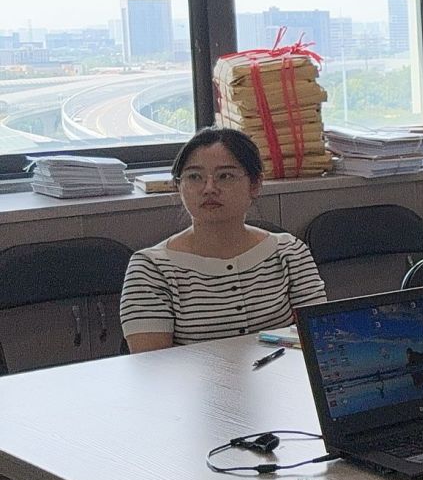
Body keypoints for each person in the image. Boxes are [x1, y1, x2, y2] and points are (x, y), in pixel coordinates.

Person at [120, 127, 326, 352]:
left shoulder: (290, 252)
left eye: (225, 176)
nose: (209, 189)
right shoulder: (151, 268)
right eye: (194, 177)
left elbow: (320, 342)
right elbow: (152, 365)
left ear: (255, 185)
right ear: (178, 186)